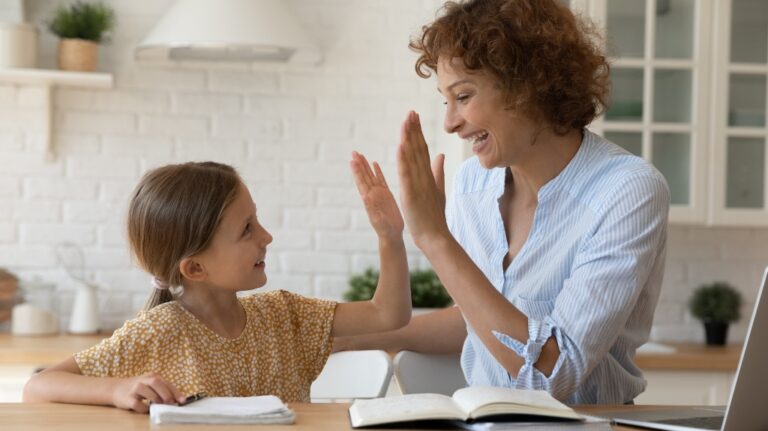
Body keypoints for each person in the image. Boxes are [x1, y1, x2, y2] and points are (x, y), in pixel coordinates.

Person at [335, 0, 670, 404]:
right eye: (446, 100)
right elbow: (481, 322)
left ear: (528, 86)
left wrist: (434, 238)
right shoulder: (473, 184)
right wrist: (360, 339)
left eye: (463, 96)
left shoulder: (627, 190)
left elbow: (551, 374)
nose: (450, 122)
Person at [23, 157, 410, 412]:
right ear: (195, 269)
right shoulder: (159, 331)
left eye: (256, 220)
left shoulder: (284, 314)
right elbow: (39, 387)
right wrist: (114, 390)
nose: (267, 236)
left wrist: (390, 237)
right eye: (247, 229)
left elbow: (388, 314)